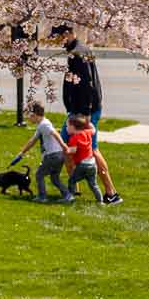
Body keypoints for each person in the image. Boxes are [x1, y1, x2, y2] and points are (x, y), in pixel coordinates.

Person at [61, 39, 122, 203]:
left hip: (86, 111)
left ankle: (111, 193)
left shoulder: (80, 53)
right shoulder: (74, 51)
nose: (55, 40)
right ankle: (74, 189)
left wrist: (87, 114)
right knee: (65, 144)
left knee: (92, 149)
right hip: (77, 109)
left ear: (67, 34)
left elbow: (89, 84)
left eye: (57, 37)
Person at [12, 101, 68, 200]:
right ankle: (67, 195)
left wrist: (63, 145)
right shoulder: (42, 124)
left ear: (34, 115)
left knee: (39, 175)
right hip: (59, 155)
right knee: (54, 178)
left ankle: (42, 197)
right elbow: (32, 141)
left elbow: (55, 133)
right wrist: (21, 154)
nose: (28, 118)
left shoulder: (44, 125)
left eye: (29, 116)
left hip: (52, 155)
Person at [63, 116, 102, 204]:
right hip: (92, 164)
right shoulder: (87, 132)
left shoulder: (74, 138)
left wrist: (65, 148)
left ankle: (70, 198)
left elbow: (73, 150)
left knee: (72, 181)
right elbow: (93, 129)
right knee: (93, 184)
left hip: (82, 165)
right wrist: (87, 122)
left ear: (73, 127)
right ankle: (100, 201)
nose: (66, 128)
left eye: (67, 126)